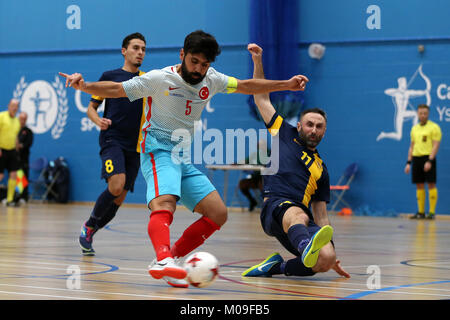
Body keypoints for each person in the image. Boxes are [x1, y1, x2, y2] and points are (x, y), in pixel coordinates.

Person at [60, 30, 308, 288]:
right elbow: (117, 89)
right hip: (156, 150)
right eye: (194, 61)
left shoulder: (211, 79)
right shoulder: (159, 78)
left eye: (205, 64)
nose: (199, 69)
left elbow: (247, 86)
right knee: (164, 202)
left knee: (218, 213)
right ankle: (162, 258)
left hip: (181, 156)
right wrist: (85, 86)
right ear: (182, 54)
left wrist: (286, 84)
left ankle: (171, 259)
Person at [241, 43, 350, 279]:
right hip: (275, 209)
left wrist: (329, 248)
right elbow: (261, 98)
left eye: (319, 126)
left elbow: (321, 215)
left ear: (324, 131)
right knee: (299, 215)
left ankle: (275, 267)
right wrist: (258, 61)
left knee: (326, 259)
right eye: (309, 124)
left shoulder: (322, 169)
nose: (313, 129)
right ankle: (306, 248)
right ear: (299, 125)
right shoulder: (284, 133)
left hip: (298, 222)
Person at [77, 32, 148, 256]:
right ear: (124, 51)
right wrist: (97, 119)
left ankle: (92, 231)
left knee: (119, 197)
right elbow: (91, 108)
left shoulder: (146, 79)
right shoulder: (110, 76)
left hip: (136, 146)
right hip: (112, 139)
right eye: (136, 48)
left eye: (143, 49)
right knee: (116, 185)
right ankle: (89, 226)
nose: (140, 53)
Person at [404, 104, 441, 220]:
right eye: (421, 113)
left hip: (428, 157)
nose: (423, 115)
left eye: (425, 113)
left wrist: (430, 160)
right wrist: (409, 163)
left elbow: (435, 146)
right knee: (419, 184)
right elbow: (411, 146)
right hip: (417, 158)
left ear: (428, 113)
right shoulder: (414, 129)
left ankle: (431, 213)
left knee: (431, 184)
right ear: (417, 114)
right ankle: (421, 212)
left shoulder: (434, 127)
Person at [0, 99, 21, 206]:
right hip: (1, 150)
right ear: (8, 105)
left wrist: (17, 149)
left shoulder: (17, 121)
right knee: (1, 175)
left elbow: (15, 136)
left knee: (13, 174)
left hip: (12, 151)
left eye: (16, 106)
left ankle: (9, 200)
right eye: (13, 105)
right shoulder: (1, 116)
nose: (14, 107)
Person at [238, 140, 269, 212]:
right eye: (258, 146)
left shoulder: (270, 153)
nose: (259, 147)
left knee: (262, 185)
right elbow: (245, 161)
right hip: (255, 178)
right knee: (242, 184)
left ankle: (266, 207)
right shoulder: (255, 154)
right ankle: (252, 201)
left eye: (261, 145)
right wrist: (237, 163)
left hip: (265, 179)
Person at [15, 111, 34, 204]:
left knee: (23, 177)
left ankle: (24, 197)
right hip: (14, 157)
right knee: (15, 177)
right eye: (20, 118)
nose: (21, 120)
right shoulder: (15, 129)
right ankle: (15, 196)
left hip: (23, 158)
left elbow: (29, 143)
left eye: (23, 119)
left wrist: (20, 146)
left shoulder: (28, 131)